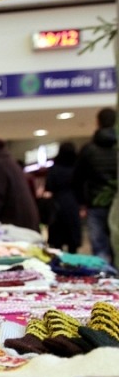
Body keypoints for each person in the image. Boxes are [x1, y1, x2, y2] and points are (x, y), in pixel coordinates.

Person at [72, 107, 118, 264]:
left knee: (99, 247)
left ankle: (105, 282)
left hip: (95, 202)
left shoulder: (89, 149)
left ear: (97, 122)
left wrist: (82, 202)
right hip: (115, 202)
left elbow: (77, 178)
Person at [45, 142, 82, 253]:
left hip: (58, 203)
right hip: (73, 201)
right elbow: (82, 185)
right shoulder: (77, 167)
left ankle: (58, 261)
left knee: (57, 235)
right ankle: (74, 260)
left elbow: (49, 186)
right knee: (73, 235)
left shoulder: (54, 168)